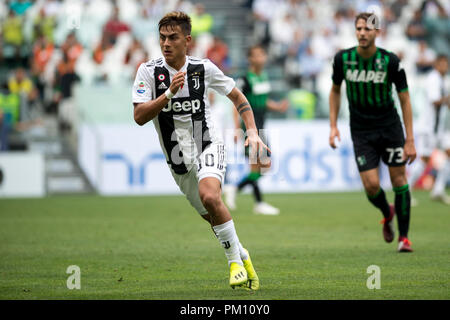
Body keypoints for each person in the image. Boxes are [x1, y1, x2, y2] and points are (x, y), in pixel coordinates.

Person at [132, 12, 268, 290]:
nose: (166, 43)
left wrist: (252, 130)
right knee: (211, 216)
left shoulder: (203, 68)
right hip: (177, 159)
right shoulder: (148, 71)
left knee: (210, 195)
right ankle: (242, 255)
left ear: (187, 40)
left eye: (173, 37)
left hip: (208, 143)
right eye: (162, 38)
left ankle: (233, 264)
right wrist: (168, 95)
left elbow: (237, 97)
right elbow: (139, 116)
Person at [329, 12, 417, 253]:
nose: (362, 33)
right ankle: (386, 212)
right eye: (359, 28)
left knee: (399, 180)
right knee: (370, 186)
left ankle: (405, 237)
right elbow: (335, 90)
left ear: (377, 32)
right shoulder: (342, 59)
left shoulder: (390, 61)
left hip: (389, 128)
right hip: (361, 131)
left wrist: (410, 139)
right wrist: (333, 125)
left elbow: (405, 99)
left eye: (367, 29)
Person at [225, 45, 288, 215]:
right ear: (250, 59)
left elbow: (264, 100)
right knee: (260, 165)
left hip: (261, 126)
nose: (261, 58)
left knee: (263, 166)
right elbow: (236, 102)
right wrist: (237, 128)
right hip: (249, 127)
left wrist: (277, 106)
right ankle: (256, 202)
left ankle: (237, 190)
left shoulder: (264, 77)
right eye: (257, 55)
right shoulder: (245, 79)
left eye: (263, 54)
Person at [408, 55, 450, 205]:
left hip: (440, 128)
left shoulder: (445, 80)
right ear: (436, 65)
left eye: (446, 64)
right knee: (424, 160)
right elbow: (435, 101)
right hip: (428, 128)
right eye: (442, 64)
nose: (444, 67)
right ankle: (405, 192)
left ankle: (438, 190)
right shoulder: (433, 79)